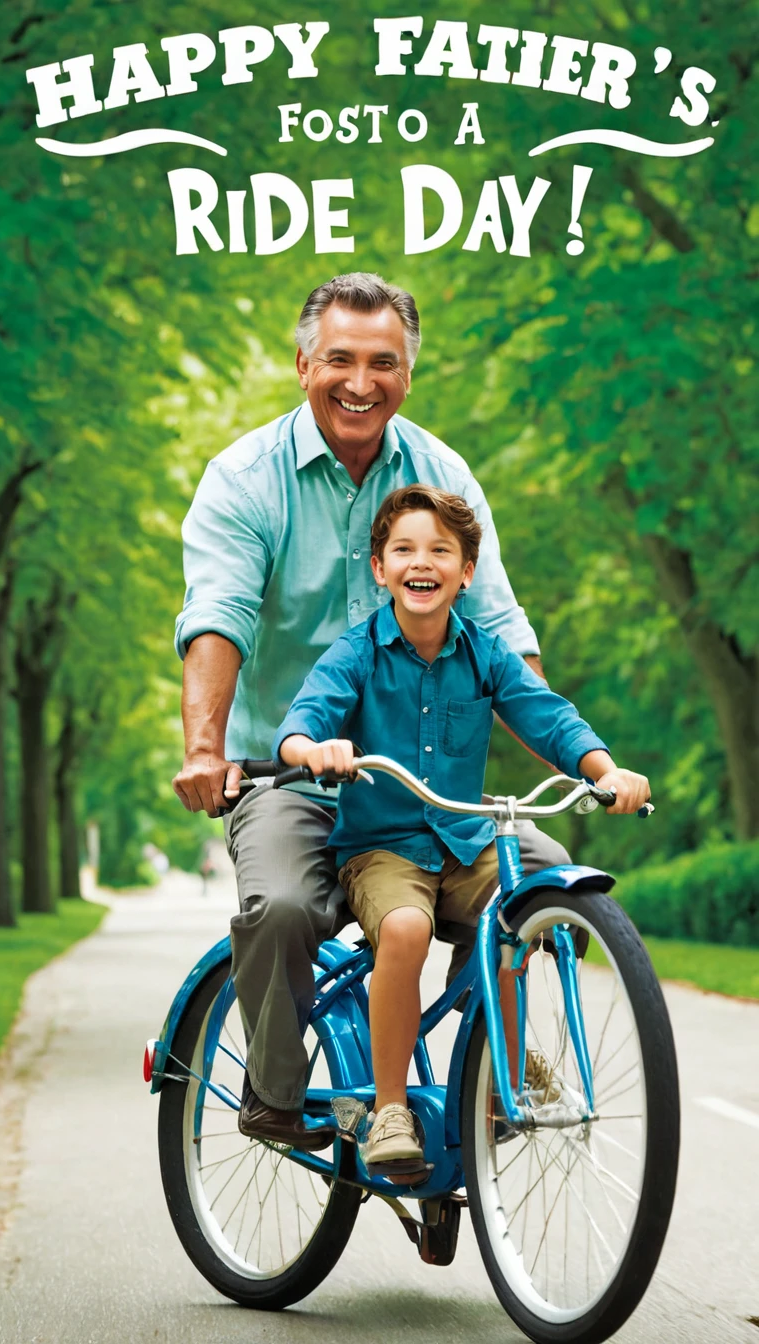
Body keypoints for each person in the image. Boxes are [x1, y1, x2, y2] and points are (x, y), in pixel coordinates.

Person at [172, 272, 573, 1152]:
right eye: (340, 360)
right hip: (291, 773)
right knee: (278, 906)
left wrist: (553, 758)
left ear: (408, 373)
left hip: (419, 784)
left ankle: (489, 1067)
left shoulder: (441, 473)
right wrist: (206, 748)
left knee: (537, 871)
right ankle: (276, 1093)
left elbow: (500, 627)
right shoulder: (245, 479)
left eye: (382, 362)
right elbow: (219, 616)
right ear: (303, 363)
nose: (361, 382)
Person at [274, 485, 650, 1177]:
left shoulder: (485, 654)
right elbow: (304, 719)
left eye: (441, 550)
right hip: (382, 851)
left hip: (460, 841)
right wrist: (314, 750)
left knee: (525, 904)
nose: (423, 562)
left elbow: (547, 716)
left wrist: (606, 770)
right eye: (405, 550)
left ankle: (499, 1053)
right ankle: (390, 1107)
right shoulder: (356, 653)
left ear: (466, 571)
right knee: (407, 930)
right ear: (381, 569)